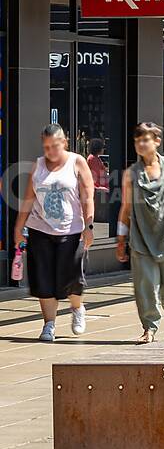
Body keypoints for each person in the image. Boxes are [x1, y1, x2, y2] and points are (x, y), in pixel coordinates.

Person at [13, 124, 95, 342]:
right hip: (40, 229)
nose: (50, 151)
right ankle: (49, 324)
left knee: (72, 277)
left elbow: (88, 196)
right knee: (43, 278)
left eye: (54, 146)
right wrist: (19, 228)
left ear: (64, 143)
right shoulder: (38, 165)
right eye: (46, 147)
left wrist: (89, 226)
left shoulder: (76, 162)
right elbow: (29, 199)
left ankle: (77, 309)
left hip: (72, 229)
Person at [116, 122, 164, 343]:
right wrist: (121, 239)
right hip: (142, 237)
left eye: (145, 139)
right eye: (137, 140)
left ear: (157, 142)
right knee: (146, 285)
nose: (140, 144)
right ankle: (149, 328)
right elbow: (126, 208)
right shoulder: (131, 174)